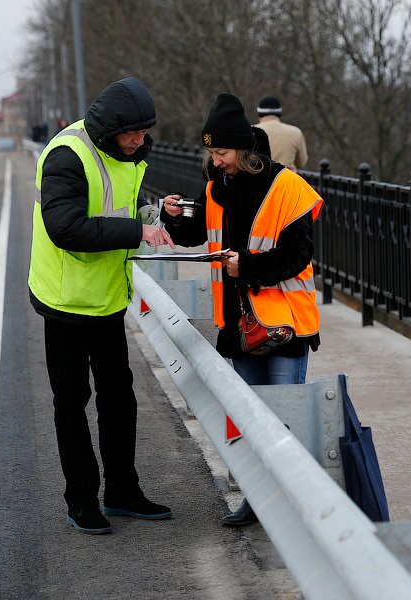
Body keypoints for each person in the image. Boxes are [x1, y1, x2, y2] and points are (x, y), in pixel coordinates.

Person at [162, 93, 322, 527]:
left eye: (223, 153)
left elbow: (298, 256)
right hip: (238, 325)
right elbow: (196, 234)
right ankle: (258, 501)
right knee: (250, 421)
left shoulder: (287, 187)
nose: (216, 162)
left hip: (284, 325)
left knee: (282, 421)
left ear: (245, 151)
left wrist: (247, 267)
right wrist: (173, 215)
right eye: (211, 154)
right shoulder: (217, 187)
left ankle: (294, 508)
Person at [28, 77, 176, 535]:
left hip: (109, 297)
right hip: (66, 300)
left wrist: (154, 214)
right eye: (133, 132)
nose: (140, 140)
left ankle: (123, 492)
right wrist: (137, 232)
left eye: (145, 132)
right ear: (111, 128)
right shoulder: (67, 156)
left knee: (119, 398)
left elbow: (118, 206)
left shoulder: (127, 153)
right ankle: (81, 501)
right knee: (72, 403)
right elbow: (66, 229)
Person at [254, 96, 308, 172]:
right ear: (279, 113)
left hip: (259, 177)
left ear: (259, 113)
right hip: (286, 176)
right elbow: (302, 162)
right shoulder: (295, 132)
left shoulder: (251, 131)